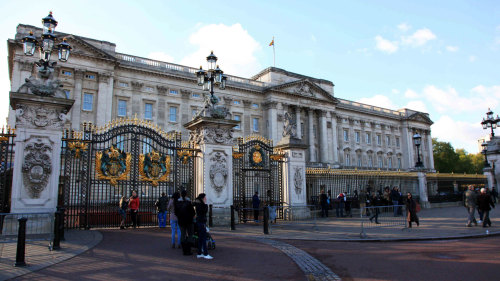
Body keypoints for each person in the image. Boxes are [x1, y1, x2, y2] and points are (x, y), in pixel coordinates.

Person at [175, 190, 195, 255]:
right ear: (186, 195)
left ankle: (184, 251)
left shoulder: (177, 203)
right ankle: (188, 250)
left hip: (181, 221)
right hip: (189, 221)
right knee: (190, 235)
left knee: (182, 235)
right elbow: (193, 212)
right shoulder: (188, 202)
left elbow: (176, 212)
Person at [194, 193, 213, 260]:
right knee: (204, 238)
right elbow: (204, 211)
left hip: (199, 221)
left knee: (200, 238)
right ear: (202, 199)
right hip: (202, 222)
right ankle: (205, 253)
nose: (206, 199)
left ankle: (199, 253)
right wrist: (205, 205)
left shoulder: (197, 204)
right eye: (205, 198)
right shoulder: (203, 205)